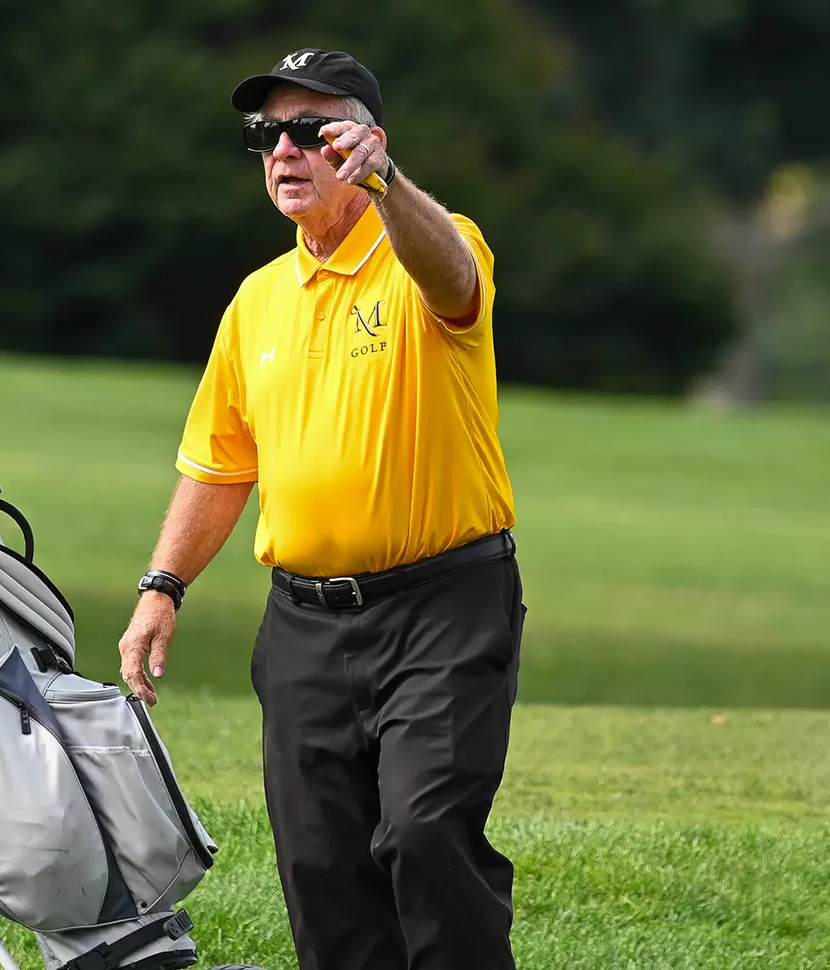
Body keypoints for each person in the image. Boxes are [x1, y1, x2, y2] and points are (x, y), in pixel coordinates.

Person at [117, 49, 523, 970]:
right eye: (267, 135)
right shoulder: (258, 301)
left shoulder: (427, 245)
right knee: (322, 874)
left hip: (443, 611)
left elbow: (455, 279)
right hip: (304, 626)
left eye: (311, 131)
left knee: (424, 835)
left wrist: (387, 184)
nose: (284, 151)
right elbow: (220, 465)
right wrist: (162, 584)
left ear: (365, 143)